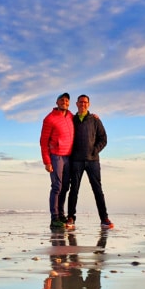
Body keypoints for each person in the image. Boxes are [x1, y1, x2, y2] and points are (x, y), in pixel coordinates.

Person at [66, 94, 113, 229]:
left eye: (85, 102)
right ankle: (71, 218)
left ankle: (104, 219)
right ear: (76, 104)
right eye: (80, 102)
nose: (83, 104)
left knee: (98, 190)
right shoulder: (71, 119)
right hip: (76, 160)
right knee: (74, 190)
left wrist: (95, 150)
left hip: (93, 161)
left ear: (89, 104)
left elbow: (103, 139)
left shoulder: (95, 120)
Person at [40, 92, 74, 229]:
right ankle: (54, 218)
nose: (64, 102)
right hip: (56, 156)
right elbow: (43, 142)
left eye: (66, 100)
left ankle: (61, 214)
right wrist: (47, 161)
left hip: (69, 157)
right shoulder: (49, 119)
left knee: (65, 187)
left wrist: (94, 117)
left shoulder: (71, 116)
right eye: (61, 100)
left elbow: (83, 118)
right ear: (56, 102)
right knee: (57, 186)